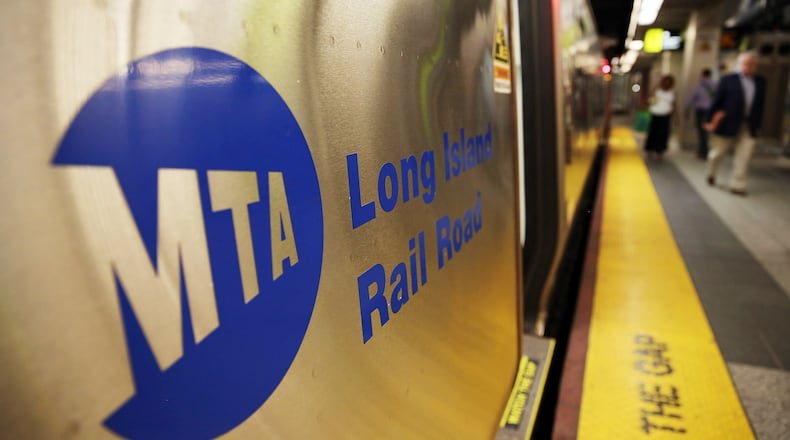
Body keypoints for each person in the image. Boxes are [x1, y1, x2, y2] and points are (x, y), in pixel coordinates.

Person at [704, 51, 765, 196]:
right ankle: (711, 172)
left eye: (751, 64)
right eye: (745, 63)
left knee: (744, 156)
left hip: (748, 125)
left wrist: (759, 125)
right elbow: (716, 101)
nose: (747, 67)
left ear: (755, 66)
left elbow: (760, 105)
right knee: (717, 153)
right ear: (739, 64)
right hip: (727, 123)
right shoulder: (728, 80)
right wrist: (709, 120)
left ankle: (738, 185)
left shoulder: (760, 82)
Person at [685, 68, 716, 159]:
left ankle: (703, 151)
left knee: (702, 132)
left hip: (701, 112)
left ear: (702, 75)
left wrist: (687, 109)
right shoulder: (716, 85)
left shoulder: (699, 85)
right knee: (707, 131)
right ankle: (705, 150)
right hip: (712, 112)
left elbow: (692, 99)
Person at [644, 75, 676, 158]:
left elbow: (674, 104)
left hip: (666, 115)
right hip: (656, 114)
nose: (666, 83)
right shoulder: (657, 91)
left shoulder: (672, 92)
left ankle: (660, 150)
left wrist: (676, 117)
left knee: (663, 134)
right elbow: (650, 99)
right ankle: (650, 149)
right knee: (653, 132)